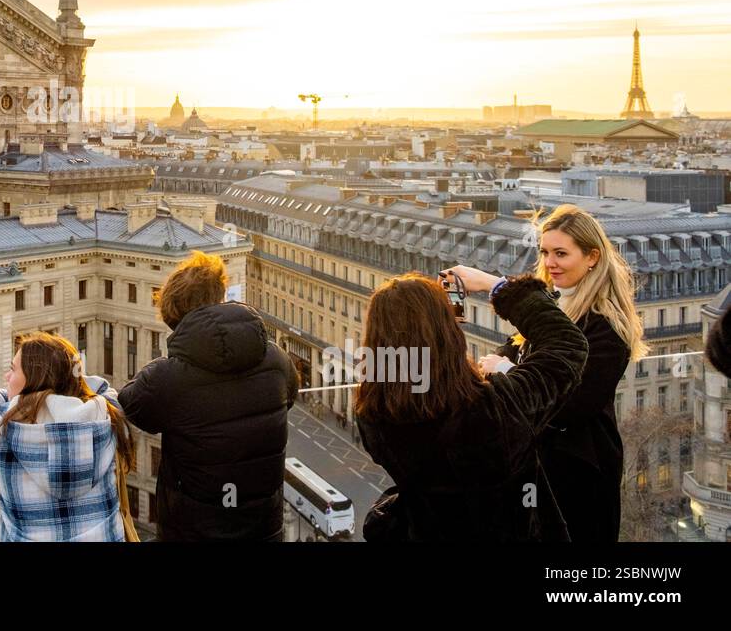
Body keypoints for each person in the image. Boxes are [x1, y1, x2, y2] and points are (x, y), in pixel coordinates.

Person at [461, 204, 647, 542]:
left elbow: (572, 403)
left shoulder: (605, 324)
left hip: (577, 470)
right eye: (545, 252)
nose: (549, 263)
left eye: (561, 253)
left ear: (592, 257)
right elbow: (514, 348)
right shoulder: (550, 305)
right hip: (536, 465)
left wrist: (504, 369)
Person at [355, 272, 587, 540]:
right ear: (449, 335)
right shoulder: (498, 408)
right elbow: (566, 346)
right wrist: (498, 286)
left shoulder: (372, 416)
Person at [118, 250, 299, 541]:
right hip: (264, 529)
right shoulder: (277, 359)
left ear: (175, 317)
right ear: (220, 297)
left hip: (193, 532)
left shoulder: (167, 377)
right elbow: (289, 396)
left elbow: (130, 404)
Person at [0, 331, 136, 541]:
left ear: (33, 382)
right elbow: (102, 388)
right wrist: (62, 380)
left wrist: (25, 401)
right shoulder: (107, 420)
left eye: (12, 370)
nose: (7, 377)